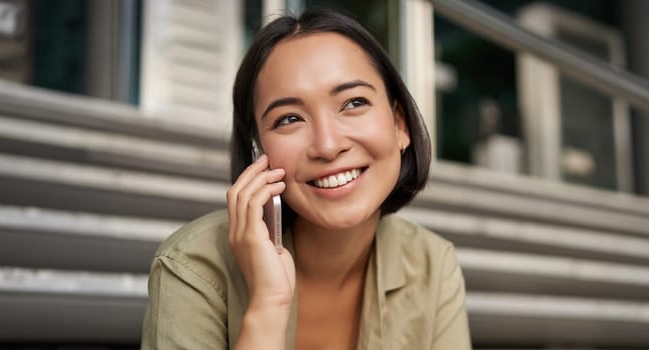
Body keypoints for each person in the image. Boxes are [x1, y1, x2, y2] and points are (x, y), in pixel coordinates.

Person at [141, 8, 472, 350]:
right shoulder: (192, 266)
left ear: (400, 124)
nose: (327, 146)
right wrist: (268, 304)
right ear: (259, 150)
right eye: (288, 119)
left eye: (353, 102)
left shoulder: (432, 264)